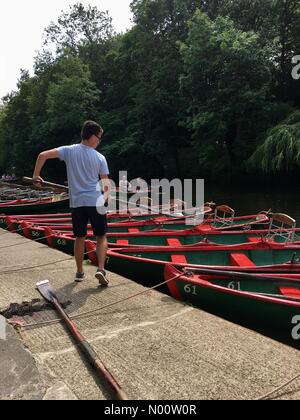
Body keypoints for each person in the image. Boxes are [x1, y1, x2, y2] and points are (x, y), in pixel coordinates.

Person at [32, 120, 111, 286]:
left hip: (77, 203)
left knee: (79, 237)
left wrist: (36, 176)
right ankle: (101, 269)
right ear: (91, 136)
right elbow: (105, 183)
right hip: (95, 200)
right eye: (99, 137)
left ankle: (80, 272)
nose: (99, 141)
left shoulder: (68, 151)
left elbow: (42, 155)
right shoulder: (100, 157)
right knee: (101, 236)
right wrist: (107, 198)